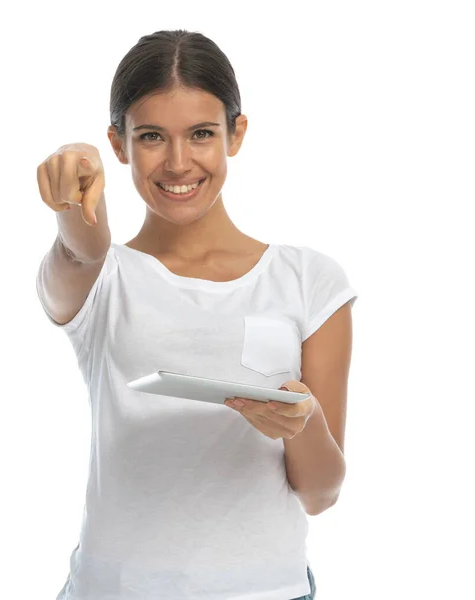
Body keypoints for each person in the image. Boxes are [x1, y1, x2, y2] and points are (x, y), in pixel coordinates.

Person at [36, 29, 357, 600]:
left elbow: (321, 494)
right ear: (119, 143)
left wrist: (300, 422)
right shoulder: (103, 278)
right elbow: (80, 248)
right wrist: (75, 188)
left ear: (236, 134)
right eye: (152, 136)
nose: (178, 162)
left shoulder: (310, 280)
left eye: (202, 134)